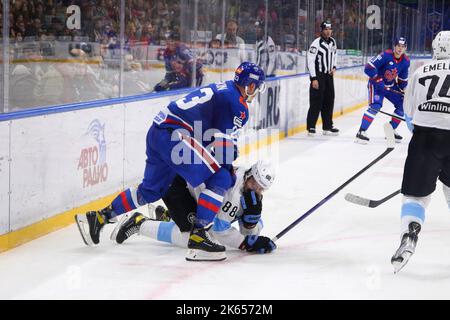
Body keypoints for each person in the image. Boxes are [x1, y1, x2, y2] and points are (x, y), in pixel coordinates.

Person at [75, 62, 266, 262]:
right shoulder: (238, 104)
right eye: (256, 87)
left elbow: (211, 135)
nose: (254, 92)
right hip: (175, 136)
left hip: (158, 131)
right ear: (250, 86)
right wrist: (229, 166)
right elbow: (223, 147)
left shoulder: (224, 89)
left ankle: (98, 218)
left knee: (151, 190)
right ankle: (199, 237)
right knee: (222, 177)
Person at [111, 161, 277, 256]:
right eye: (254, 183)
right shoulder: (234, 193)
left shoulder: (250, 192)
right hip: (177, 185)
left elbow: (246, 230)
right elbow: (219, 230)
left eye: (261, 188)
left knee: (202, 233)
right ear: (249, 174)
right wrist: (246, 242)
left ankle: (168, 217)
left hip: (195, 197)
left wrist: (251, 225)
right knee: (192, 238)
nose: (256, 189)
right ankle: (139, 223)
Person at [391, 31, 450, 273]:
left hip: (425, 138)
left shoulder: (419, 71)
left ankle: (410, 232)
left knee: (415, 197)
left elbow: (409, 114)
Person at [355, 37, 410, 143]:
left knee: (403, 104)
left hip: (390, 86)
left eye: (403, 47)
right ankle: (361, 132)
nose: (400, 49)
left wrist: (405, 90)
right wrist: (379, 80)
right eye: (398, 46)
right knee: (376, 106)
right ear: (394, 46)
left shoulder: (406, 61)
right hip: (376, 85)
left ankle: (391, 129)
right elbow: (368, 68)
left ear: (405, 48)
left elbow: (403, 79)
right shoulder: (385, 55)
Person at [306, 21, 339, 137]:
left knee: (329, 101)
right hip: (319, 75)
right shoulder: (316, 43)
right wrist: (313, 78)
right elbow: (310, 61)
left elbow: (335, 55)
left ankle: (327, 126)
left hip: (329, 76)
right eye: (326, 29)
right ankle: (311, 126)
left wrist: (334, 67)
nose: (328, 31)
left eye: (330, 29)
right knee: (316, 101)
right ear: (321, 30)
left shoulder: (333, 41)